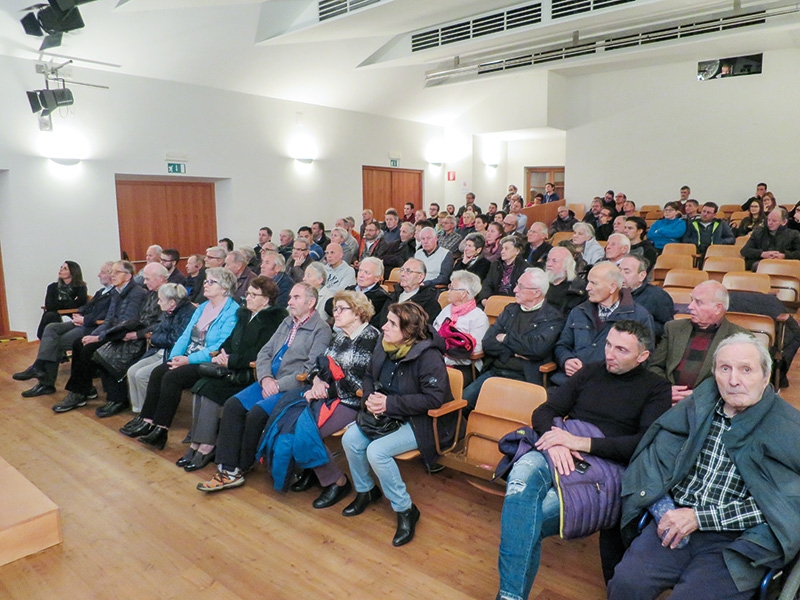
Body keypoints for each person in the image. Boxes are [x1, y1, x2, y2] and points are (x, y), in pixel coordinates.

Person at [608, 334, 800, 600]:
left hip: (739, 537)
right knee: (626, 584)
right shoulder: (699, 405)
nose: (734, 380)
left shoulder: (789, 428)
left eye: (746, 369)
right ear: (714, 374)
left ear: (766, 376)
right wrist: (663, 506)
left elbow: (785, 504)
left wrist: (700, 518)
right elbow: (653, 458)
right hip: (676, 517)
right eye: (725, 368)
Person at [496, 321, 671, 599]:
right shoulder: (590, 372)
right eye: (608, 344)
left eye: (621, 350)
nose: (610, 354)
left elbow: (641, 444)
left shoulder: (657, 388)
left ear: (643, 356)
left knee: (526, 521)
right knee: (520, 481)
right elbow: (545, 410)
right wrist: (557, 442)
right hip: (560, 447)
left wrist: (579, 443)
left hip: (603, 467)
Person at [196, 282, 331, 492]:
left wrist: (278, 384)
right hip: (269, 379)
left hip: (292, 386)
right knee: (233, 405)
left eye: (296, 297)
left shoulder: (321, 329)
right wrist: (266, 378)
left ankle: (241, 466)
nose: (289, 301)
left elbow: (309, 369)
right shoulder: (287, 321)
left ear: (311, 302)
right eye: (290, 297)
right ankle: (227, 467)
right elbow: (264, 353)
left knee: (256, 413)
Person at [341, 302, 455, 546]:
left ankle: (406, 510)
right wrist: (370, 399)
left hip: (421, 420)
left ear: (409, 330)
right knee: (350, 439)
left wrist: (389, 404)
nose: (384, 327)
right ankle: (366, 491)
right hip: (387, 414)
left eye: (392, 323)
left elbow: (433, 399)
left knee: (377, 452)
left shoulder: (429, 356)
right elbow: (369, 375)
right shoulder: (385, 344)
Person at [120, 267, 240, 449]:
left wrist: (187, 360)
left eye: (211, 282)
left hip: (208, 361)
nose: (205, 285)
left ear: (224, 288)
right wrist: (176, 356)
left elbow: (217, 347)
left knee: (172, 377)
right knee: (159, 371)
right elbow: (185, 335)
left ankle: (161, 430)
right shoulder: (203, 307)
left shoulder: (232, 311)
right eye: (206, 281)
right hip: (187, 356)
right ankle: (147, 420)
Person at [177, 276, 287, 472]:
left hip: (249, 373)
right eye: (248, 293)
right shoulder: (245, 314)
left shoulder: (273, 320)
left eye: (254, 295)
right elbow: (230, 340)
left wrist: (232, 360)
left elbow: (260, 353)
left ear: (266, 299)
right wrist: (222, 353)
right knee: (200, 386)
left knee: (210, 389)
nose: (248, 297)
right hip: (231, 367)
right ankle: (196, 442)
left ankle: (207, 446)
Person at [284, 290, 381, 507]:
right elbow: (320, 366)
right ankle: (313, 471)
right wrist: (317, 382)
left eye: (341, 309)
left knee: (310, 432)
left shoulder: (370, 337)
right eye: (335, 309)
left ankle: (337, 481)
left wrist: (324, 390)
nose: (335, 313)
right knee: (293, 421)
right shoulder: (340, 336)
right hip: (331, 395)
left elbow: (358, 383)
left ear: (357, 313)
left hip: (354, 402)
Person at [51, 261, 148, 414]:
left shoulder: (137, 293)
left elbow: (126, 323)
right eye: (111, 272)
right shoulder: (116, 292)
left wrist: (99, 338)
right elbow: (109, 321)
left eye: (116, 272)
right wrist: (93, 335)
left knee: (89, 349)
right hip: (113, 333)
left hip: (127, 336)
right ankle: (84, 389)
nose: (112, 275)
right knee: (79, 343)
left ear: (128, 276)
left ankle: (90, 395)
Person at [462, 268, 564, 405]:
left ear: (536, 293)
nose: (515, 290)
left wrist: (505, 338)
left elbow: (537, 349)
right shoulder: (510, 310)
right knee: (462, 402)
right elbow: (488, 343)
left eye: (521, 287)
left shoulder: (552, 318)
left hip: (525, 377)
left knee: (505, 410)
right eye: (516, 284)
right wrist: (515, 352)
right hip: (495, 372)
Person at [15, 261, 114, 397]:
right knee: (51, 327)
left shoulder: (114, 293)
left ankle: (45, 382)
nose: (98, 274)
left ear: (111, 274)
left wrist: (85, 319)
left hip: (93, 326)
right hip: (82, 321)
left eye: (102, 272)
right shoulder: (101, 291)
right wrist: (80, 313)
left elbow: (107, 315)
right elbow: (85, 306)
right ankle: (39, 367)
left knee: (54, 342)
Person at [553, 262, 654, 385]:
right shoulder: (578, 311)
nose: (587, 288)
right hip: (571, 381)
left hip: (612, 385)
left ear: (612, 287)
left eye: (594, 283)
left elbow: (644, 358)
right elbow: (562, 345)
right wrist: (566, 360)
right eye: (588, 282)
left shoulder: (639, 316)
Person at [649, 280, 748, 405]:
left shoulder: (739, 338)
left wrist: (701, 395)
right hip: (668, 400)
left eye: (698, 302)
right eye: (691, 300)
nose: (690, 307)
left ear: (718, 308)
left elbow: (741, 380)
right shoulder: (673, 328)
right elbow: (654, 366)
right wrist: (665, 389)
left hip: (710, 404)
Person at [93, 262, 171, 418]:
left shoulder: (168, 295)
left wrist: (137, 334)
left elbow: (161, 325)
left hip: (150, 340)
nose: (144, 282)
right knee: (100, 355)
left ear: (161, 278)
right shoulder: (151, 294)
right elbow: (140, 317)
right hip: (140, 333)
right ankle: (117, 400)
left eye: (148, 279)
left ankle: (119, 400)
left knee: (111, 358)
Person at [123, 282, 194, 419]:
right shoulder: (167, 312)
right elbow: (157, 331)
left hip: (172, 354)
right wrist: (156, 337)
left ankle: (148, 414)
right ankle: (139, 412)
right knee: (132, 371)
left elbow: (175, 339)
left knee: (142, 375)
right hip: (160, 350)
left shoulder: (187, 313)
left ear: (172, 302)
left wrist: (155, 338)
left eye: (161, 300)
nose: (158, 303)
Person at [432, 271, 489, 384]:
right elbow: (434, 331)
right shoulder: (447, 309)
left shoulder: (479, 317)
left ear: (463, 294)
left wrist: (448, 352)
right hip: (438, 359)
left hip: (464, 365)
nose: (448, 291)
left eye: (452, 288)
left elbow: (476, 350)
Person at [618, 254, 673, 340]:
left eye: (626, 272)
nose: (620, 276)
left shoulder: (658, 296)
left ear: (642, 276)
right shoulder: (612, 292)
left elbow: (666, 329)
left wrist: (639, 327)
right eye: (619, 271)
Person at [378, 258, 441, 326]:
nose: (402, 274)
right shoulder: (393, 296)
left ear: (420, 277)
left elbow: (423, 329)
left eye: (408, 271)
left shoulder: (430, 304)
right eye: (402, 270)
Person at [36, 261, 88, 339]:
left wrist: (58, 303)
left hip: (71, 315)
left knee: (50, 316)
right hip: (54, 314)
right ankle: (51, 340)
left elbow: (80, 303)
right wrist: (70, 302)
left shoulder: (80, 287)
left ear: (73, 272)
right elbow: (49, 305)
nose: (61, 270)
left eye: (65, 268)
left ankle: (49, 340)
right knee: (50, 315)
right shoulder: (52, 287)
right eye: (61, 267)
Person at [478, 236, 532, 305]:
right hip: (495, 300)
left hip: (514, 302)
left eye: (506, 249)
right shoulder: (495, 265)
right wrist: (484, 299)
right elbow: (487, 284)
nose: (502, 252)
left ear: (517, 251)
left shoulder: (525, 268)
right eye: (502, 248)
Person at [544, 246, 587, 316]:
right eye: (548, 260)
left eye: (554, 261)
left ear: (567, 266)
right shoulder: (540, 284)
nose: (549, 264)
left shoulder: (576, 290)